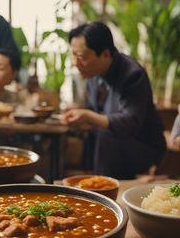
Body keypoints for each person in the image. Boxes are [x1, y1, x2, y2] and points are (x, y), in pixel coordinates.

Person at [61, 22, 166, 179]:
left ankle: (102, 190)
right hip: (113, 142)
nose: (76, 63)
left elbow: (130, 122)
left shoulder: (132, 74)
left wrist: (88, 116)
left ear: (105, 54)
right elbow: (94, 110)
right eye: (74, 55)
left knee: (105, 137)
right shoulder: (92, 73)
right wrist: (80, 114)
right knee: (77, 134)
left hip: (143, 145)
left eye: (82, 57)